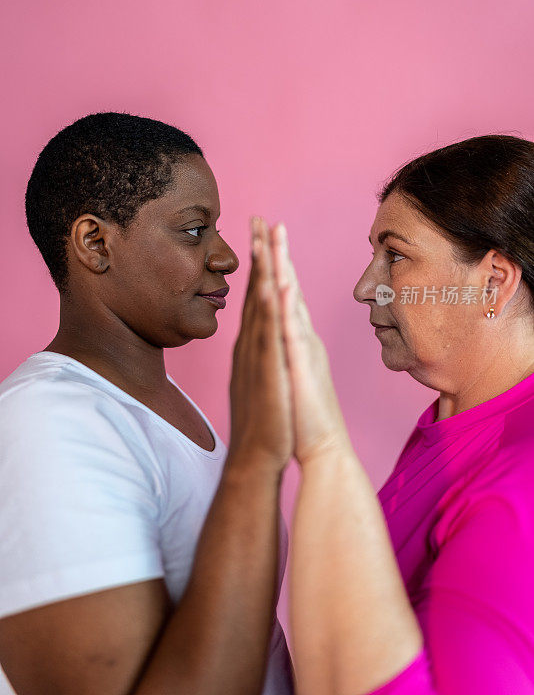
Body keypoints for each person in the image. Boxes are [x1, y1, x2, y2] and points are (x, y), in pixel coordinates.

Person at [0, 112, 295, 695]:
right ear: (95, 243)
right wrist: (257, 459)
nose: (226, 256)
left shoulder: (149, 405)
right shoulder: (47, 426)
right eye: (192, 229)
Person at [250, 134, 534, 694]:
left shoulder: (518, 484)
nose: (365, 287)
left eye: (396, 255)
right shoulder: (449, 425)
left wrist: (324, 448)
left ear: (493, 282)